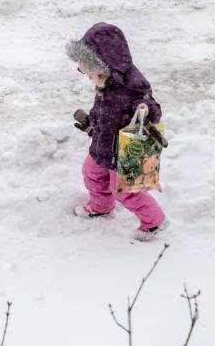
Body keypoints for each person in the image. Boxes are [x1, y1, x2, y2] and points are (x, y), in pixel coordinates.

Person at [66, 22, 169, 241]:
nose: (89, 79)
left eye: (90, 74)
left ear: (103, 64)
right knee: (91, 173)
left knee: (125, 191)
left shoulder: (132, 83)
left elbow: (152, 105)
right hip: (102, 145)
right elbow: (102, 110)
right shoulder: (105, 82)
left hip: (123, 151)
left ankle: (154, 221)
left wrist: (145, 109)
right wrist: (91, 122)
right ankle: (101, 206)